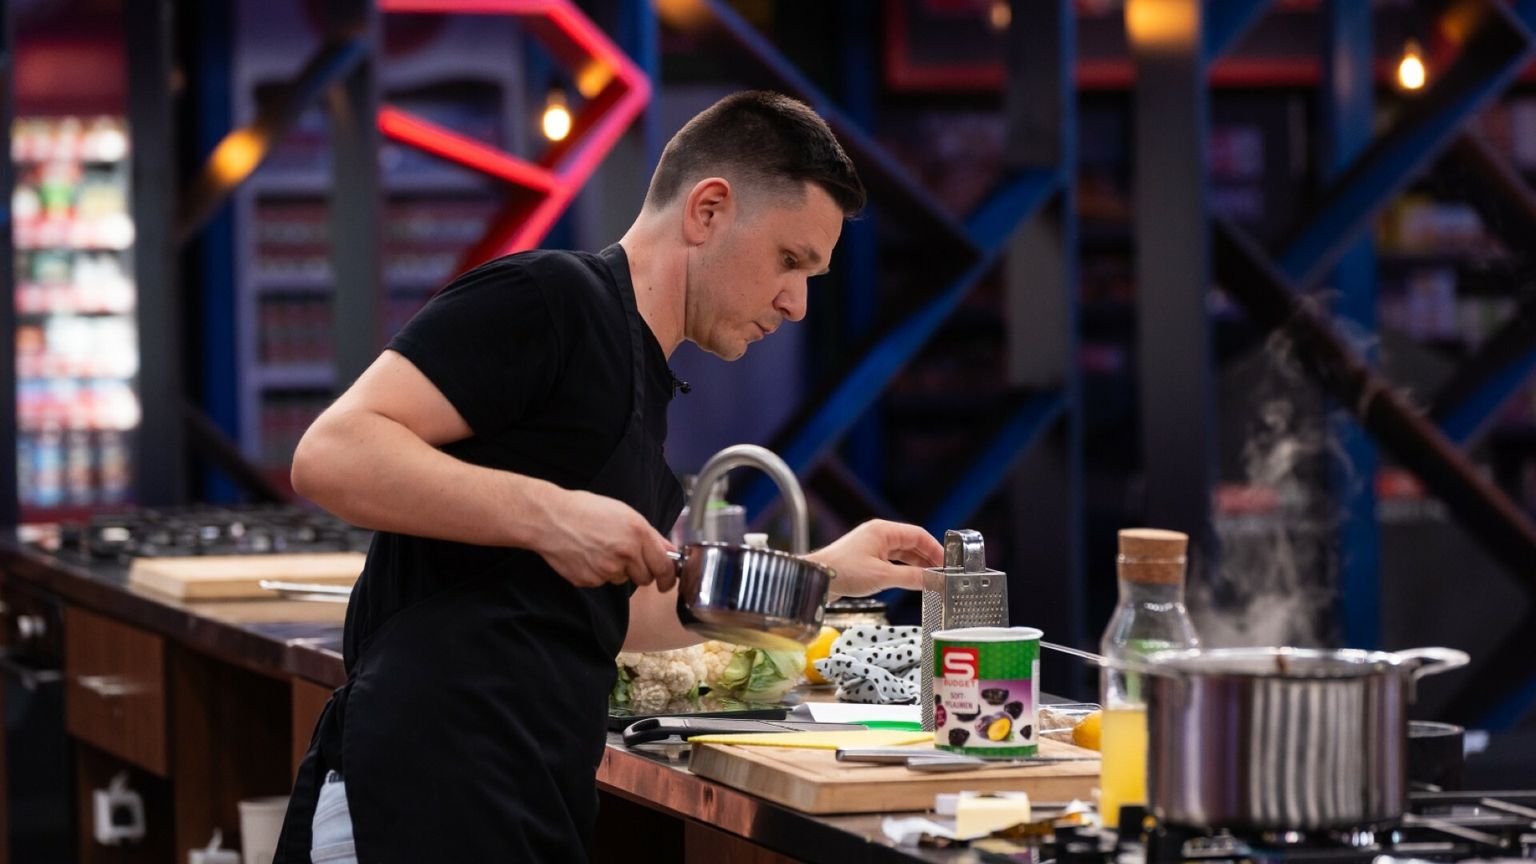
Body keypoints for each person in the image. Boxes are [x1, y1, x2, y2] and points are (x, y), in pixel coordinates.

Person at [273, 90, 945, 863]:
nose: (795, 303)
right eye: (789, 261)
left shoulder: (640, 377)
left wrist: (820, 577)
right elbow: (333, 452)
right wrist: (550, 515)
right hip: (416, 791)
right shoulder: (550, 299)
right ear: (708, 210)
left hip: (526, 798)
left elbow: (617, 614)